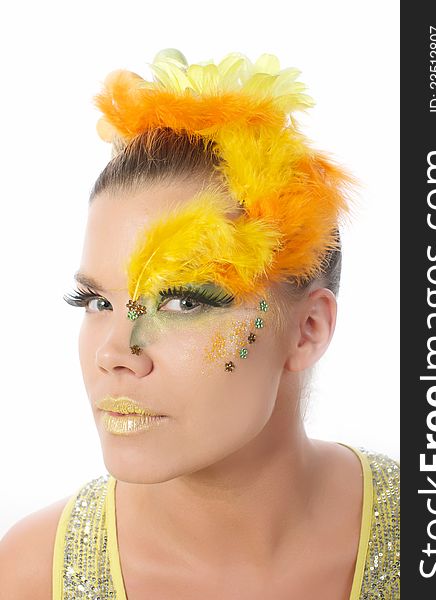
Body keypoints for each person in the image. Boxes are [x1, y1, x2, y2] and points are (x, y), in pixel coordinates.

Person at [0, 48, 399, 599]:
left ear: (308, 329)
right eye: (95, 301)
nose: (115, 352)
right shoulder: (29, 577)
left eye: (182, 302)